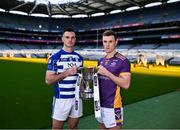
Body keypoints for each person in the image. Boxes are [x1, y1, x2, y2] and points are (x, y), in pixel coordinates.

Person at [45, 28, 83, 129]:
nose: (70, 40)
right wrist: (66, 73)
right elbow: (48, 80)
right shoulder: (55, 58)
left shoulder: (79, 58)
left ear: (75, 39)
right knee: (57, 128)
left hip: (76, 99)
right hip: (61, 99)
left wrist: (85, 88)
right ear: (62, 39)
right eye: (67, 37)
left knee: (74, 127)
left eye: (72, 37)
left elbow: (80, 79)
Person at [97, 30, 131, 130]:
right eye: (105, 41)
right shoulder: (101, 60)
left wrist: (107, 73)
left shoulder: (123, 61)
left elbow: (126, 84)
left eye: (110, 41)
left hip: (113, 106)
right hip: (100, 105)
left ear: (116, 42)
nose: (107, 45)